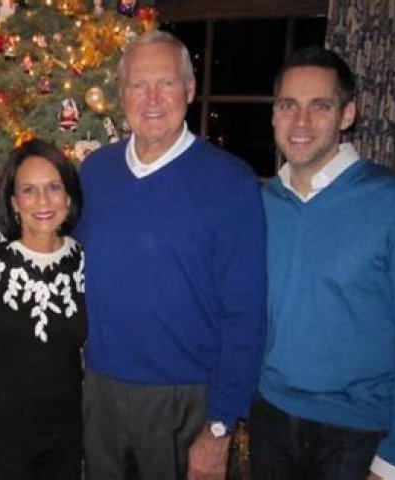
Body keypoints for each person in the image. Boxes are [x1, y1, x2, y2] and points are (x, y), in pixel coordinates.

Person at [251, 46, 395, 480]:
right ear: (273, 115)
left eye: (319, 106)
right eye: (288, 105)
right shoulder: (259, 203)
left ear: (347, 114)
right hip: (268, 418)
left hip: (358, 434)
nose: (300, 122)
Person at [77, 30, 267, 479]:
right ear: (121, 94)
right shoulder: (95, 171)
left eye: (166, 83)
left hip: (186, 400)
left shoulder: (230, 182)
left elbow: (246, 313)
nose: (152, 99)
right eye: (138, 85)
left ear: (190, 89)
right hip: (101, 390)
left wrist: (220, 424)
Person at [0, 139, 86, 479]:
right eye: (29, 190)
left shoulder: (83, 261)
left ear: (68, 197)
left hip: (65, 434)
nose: (43, 201)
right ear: (13, 202)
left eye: (53, 188)